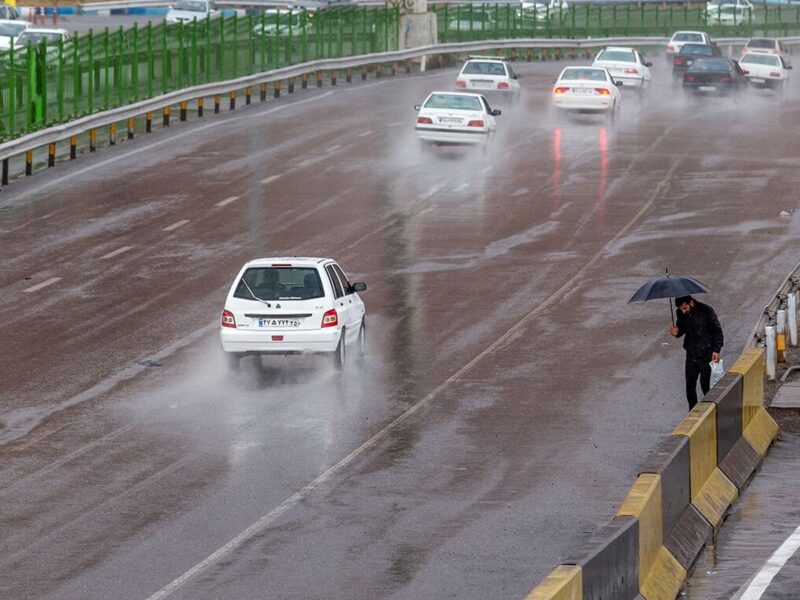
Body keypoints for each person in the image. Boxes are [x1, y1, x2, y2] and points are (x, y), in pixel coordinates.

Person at [669, 295, 724, 410]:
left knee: (705, 385)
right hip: (691, 354)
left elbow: (717, 331)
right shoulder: (681, 313)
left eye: (685, 308)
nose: (683, 311)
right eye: (680, 309)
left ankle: (710, 411)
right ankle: (692, 411)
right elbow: (682, 329)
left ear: (691, 303)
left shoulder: (707, 311)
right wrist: (676, 333)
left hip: (706, 353)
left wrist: (716, 350)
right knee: (690, 386)